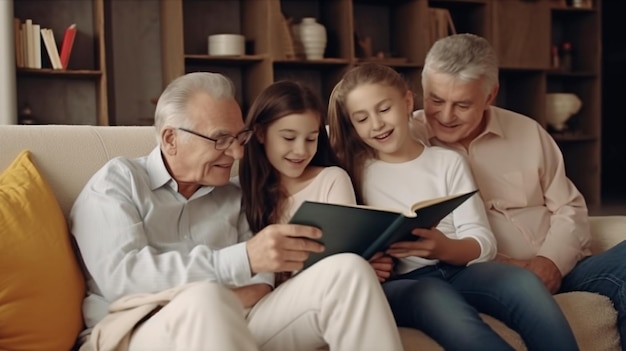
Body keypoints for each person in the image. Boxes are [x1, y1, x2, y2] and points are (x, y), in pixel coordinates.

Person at [69, 72, 404, 351]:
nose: (236, 153)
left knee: (347, 270)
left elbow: (262, 285)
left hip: (239, 320)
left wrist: (240, 281)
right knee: (205, 299)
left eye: (239, 137)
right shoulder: (117, 182)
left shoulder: (233, 195)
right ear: (170, 139)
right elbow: (123, 279)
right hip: (137, 329)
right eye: (220, 139)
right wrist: (238, 262)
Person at [327, 62, 579, 351]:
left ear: (408, 101)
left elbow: (483, 241)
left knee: (525, 284)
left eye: (384, 109)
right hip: (404, 283)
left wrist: (443, 248)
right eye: (361, 118)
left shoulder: (447, 162)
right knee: (437, 298)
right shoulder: (352, 170)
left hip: (460, 268)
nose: (376, 124)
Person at [410, 32, 626, 350]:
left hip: (560, 268)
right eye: (436, 100)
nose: (445, 116)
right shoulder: (407, 142)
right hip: (487, 277)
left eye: (462, 105)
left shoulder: (527, 132)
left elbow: (569, 208)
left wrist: (550, 262)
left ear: (490, 95)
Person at [239, 80, 357, 286]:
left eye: (311, 139)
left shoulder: (331, 180)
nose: (301, 151)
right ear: (259, 133)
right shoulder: (240, 192)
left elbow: (346, 259)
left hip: (329, 289)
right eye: (289, 138)